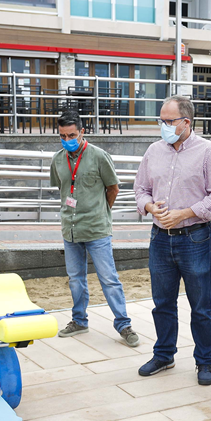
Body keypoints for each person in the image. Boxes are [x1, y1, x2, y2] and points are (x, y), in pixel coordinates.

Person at [133, 95, 211, 384]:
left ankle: (205, 361)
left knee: (200, 305)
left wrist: (185, 212)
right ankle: (163, 354)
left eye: (168, 121)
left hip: (194, 238)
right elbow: (140, 189)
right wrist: (149, 207)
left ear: (186, 122)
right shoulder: (154, 151)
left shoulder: (209, 151)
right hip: (160, 237)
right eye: (161, 120)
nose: (163, 125)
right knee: (162, 302)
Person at [50, 110, 139, 347]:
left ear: (82, 132)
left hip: (97, 229)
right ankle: (79, 320)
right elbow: (62, 188)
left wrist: (101, 212)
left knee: (109, 278)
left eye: (71, 135)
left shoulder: (99, 156)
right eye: (62, 135)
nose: (67, 139)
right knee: (75, 279)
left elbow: (113, 188)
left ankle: (124, 324)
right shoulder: (58, 158)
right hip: (70, 228)